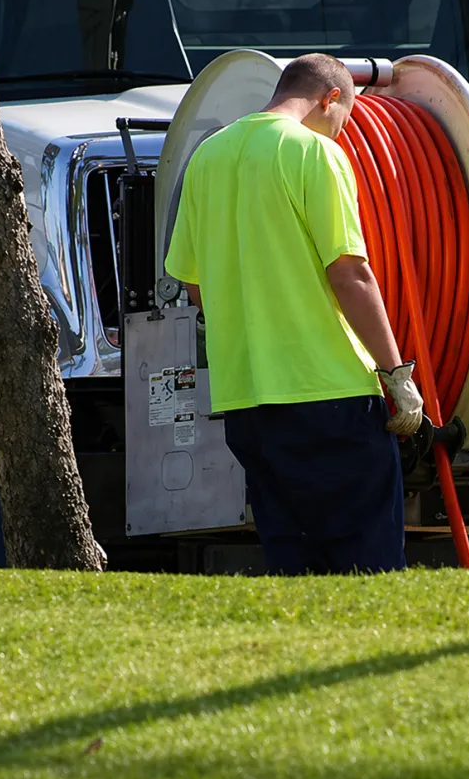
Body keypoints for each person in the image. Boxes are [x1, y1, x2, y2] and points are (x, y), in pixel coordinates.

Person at [164, 53, 424, 575]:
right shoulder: (316, 154)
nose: (341, 133)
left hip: (247, 404)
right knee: (366, 567)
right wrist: (396, 376)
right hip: (329, 396)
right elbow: (350, 274)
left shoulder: (207, 157)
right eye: (344, 119)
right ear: (330, 99)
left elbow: (194, 287)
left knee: (293, 568)